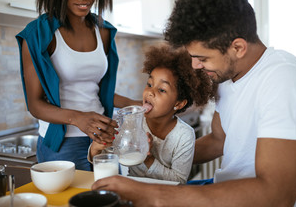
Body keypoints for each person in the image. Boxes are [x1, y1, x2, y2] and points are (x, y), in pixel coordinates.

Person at [91, 0, 296, 206]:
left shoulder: (283, 80)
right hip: (220, 187)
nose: (195, 66)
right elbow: (219, 140)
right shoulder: (227, 77)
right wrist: (142, 152)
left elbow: (277, 196)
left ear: (237, 47)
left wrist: (152, 194)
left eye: (202, 58)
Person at [15, 0, 139, 171]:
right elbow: (35, 104)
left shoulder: (104, 32)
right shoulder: (38, 34)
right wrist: (78, 118)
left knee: (110, 198)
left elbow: (101, 93)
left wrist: (136, 105)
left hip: (102, 138)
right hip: (62, 144)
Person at [88, 45, 217, 184]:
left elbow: (179, 181)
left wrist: (148, 158)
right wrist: (95, 149)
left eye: (162, 90)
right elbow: (110, 157)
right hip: (134, 191)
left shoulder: (184, 135)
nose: (150, 92)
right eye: (149, 84)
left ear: (179, 104)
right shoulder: (132, 123)